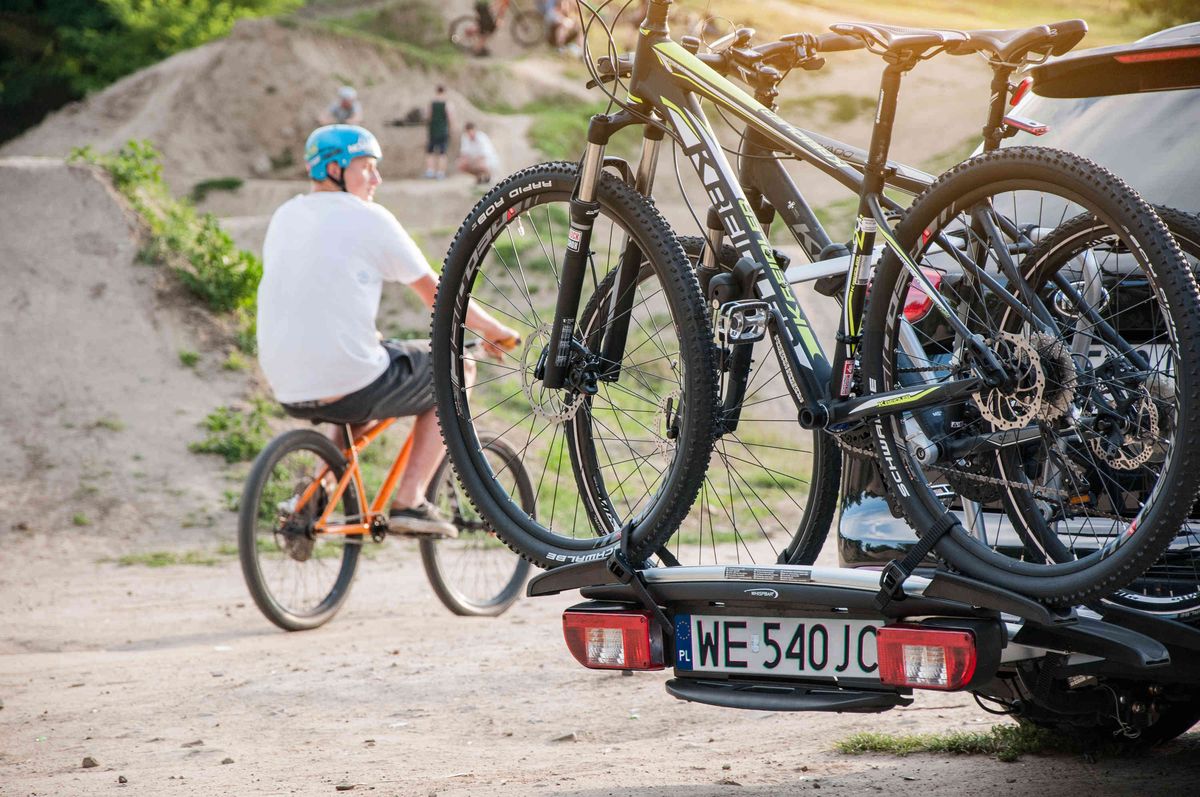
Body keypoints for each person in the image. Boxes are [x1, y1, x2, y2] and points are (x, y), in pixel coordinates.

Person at [257, 124, 518, 537]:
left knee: (363, 375)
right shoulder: (369, 218)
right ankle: (410, 501)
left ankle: (318, 491)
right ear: (337, 168)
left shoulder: (285, 214)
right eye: (367, 167)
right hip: (346, 378)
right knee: (457, 368)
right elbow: (440, 293)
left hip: (284, 381)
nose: (377, 179)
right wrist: (497, 330)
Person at [424, 86, 451, 179]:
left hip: (433, 131)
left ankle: (430, 171)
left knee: (430, 152)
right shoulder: (447, 104)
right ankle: (440, 173)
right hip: (443, 131)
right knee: (442, 153)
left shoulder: (432, 104)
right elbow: (450, 117)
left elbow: (428, 117)